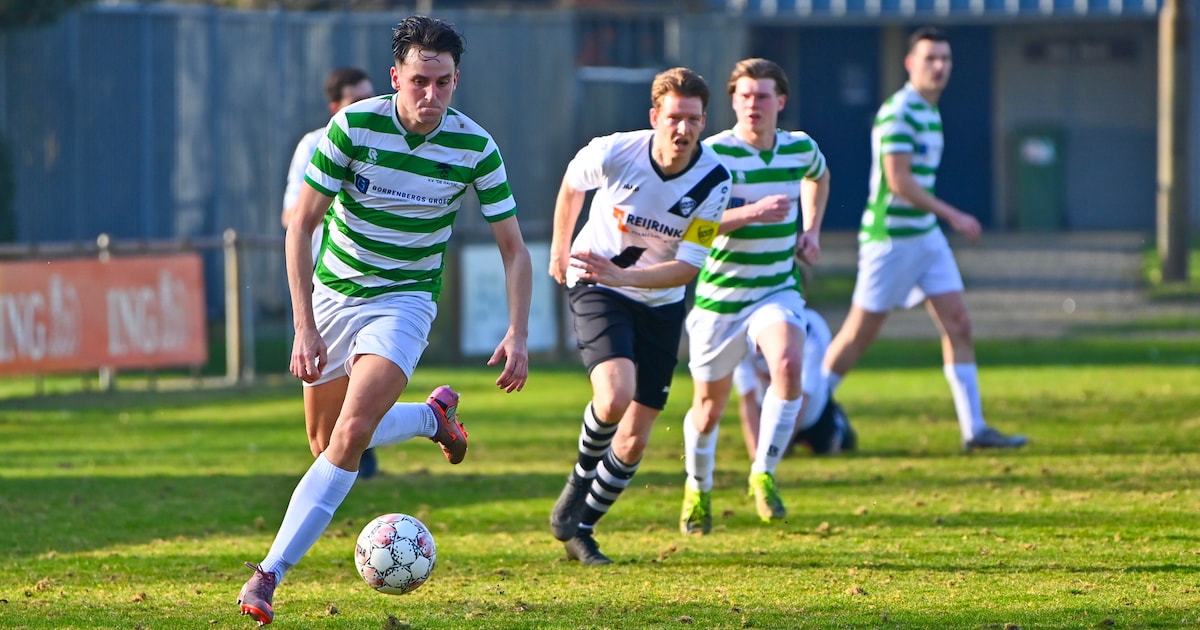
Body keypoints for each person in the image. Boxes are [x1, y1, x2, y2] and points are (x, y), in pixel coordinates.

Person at [237, 16, 532, 626]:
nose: (431, 95)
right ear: (396, 77)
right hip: (333, 296)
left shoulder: (475, 146)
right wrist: (303, 325)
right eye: (420, 81)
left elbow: (514, 249)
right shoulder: (353, 126)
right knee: (324, 442)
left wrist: (518, 332)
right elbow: (301, 225)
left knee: (350, 434)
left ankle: (268, 574)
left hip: (405, 302)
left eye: (443, 83)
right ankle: (431, 417)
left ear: (456, 80)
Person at [547, 67, 731, 566]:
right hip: (598, 285)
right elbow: (572, 184)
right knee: (614, 394)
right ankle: (578, 480)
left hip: (659, 302)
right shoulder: (615, 151)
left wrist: (625, 275)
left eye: (693, 119)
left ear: (704, 122)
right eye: (674, 117)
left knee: (633, 439)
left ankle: (582, 530)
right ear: (655, 117)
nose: (683, 128)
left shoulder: (716, 179)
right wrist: (560, 250)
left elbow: (688, 267)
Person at [821, 27, 1026, 453]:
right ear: (909, 64)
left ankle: (975, 430)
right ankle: (803, 415)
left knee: (959, 323)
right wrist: (954, 214)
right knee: (858, 336)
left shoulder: (930, 112)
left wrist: (939, 220)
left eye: (945, 59)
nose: (939, 67)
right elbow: (898, 181)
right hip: (891, 239)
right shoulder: (899, 112)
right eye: (930, 58)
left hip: (925, 236)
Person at [678, 58, 831, 535]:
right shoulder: (712, 155)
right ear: (733, 102)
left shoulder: (800, 147)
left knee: (788, 365)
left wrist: (811, 230)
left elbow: (819, 176)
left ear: (780, 101)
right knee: (708, 410)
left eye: (762, 96)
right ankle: (697, 489)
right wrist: (751, 213)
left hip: (776, 288)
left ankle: (763, 472)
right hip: (721, 298)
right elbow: (691, 227)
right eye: (744, 96)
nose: (752, 105)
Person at [281, 66, 380, 479]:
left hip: (373, 279)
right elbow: (292, 216)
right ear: (335, 107)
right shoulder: (315, 144)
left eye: (371, 98)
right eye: (357, 101)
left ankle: (364, 450)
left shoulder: (385, 142)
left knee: (371, 368)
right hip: (326, 281)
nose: (368, 107)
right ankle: (353, 449)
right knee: (321, 432)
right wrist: (332, 198)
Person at [732, 266, 855, 463]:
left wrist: (777, 449)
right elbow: (747, 396)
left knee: (830, 448)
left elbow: (802, 396)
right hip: (768, 413)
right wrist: (756, 453)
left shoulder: (812, 329)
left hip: (810, 416)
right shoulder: (745, 332)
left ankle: (838, 423)